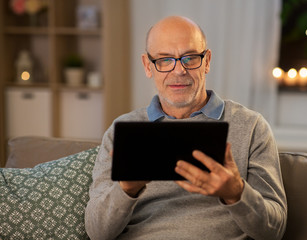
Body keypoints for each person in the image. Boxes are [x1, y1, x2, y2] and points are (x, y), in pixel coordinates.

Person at [85, 16, 287, 240]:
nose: (179, 70)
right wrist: (126, 189)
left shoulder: (251, 126)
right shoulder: (121, 131)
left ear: (207, 61)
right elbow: (97, 233)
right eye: (164, 60)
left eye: (190, 58)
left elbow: (273, 231)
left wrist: (236, 194)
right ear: (147, 66)